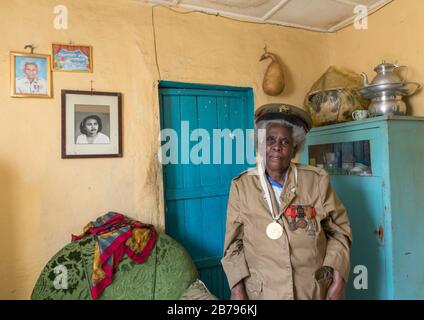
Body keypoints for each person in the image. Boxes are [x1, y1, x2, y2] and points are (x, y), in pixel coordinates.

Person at [221, 103, 352, 300]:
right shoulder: (242, 186)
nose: (276, 146)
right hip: (262, 292)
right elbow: (233, 245)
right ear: (260, 145)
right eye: (270, 140)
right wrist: (237, 289)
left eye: (285, 142)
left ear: (294, 149)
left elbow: (339, 232)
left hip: (311, 291)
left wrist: (339, 279)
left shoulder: (316, 181)